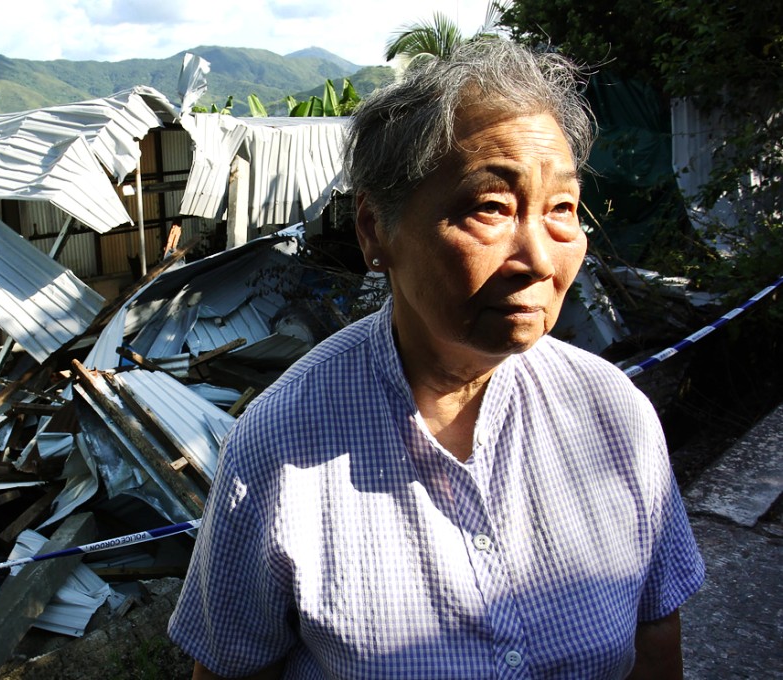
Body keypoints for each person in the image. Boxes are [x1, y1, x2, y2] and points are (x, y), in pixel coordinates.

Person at [168, 39, 704, 679]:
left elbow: (655, 636)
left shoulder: (615, 417)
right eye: (491, 207)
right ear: (374, 228)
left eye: (562, 207)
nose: (537, 258)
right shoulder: (281, 445)